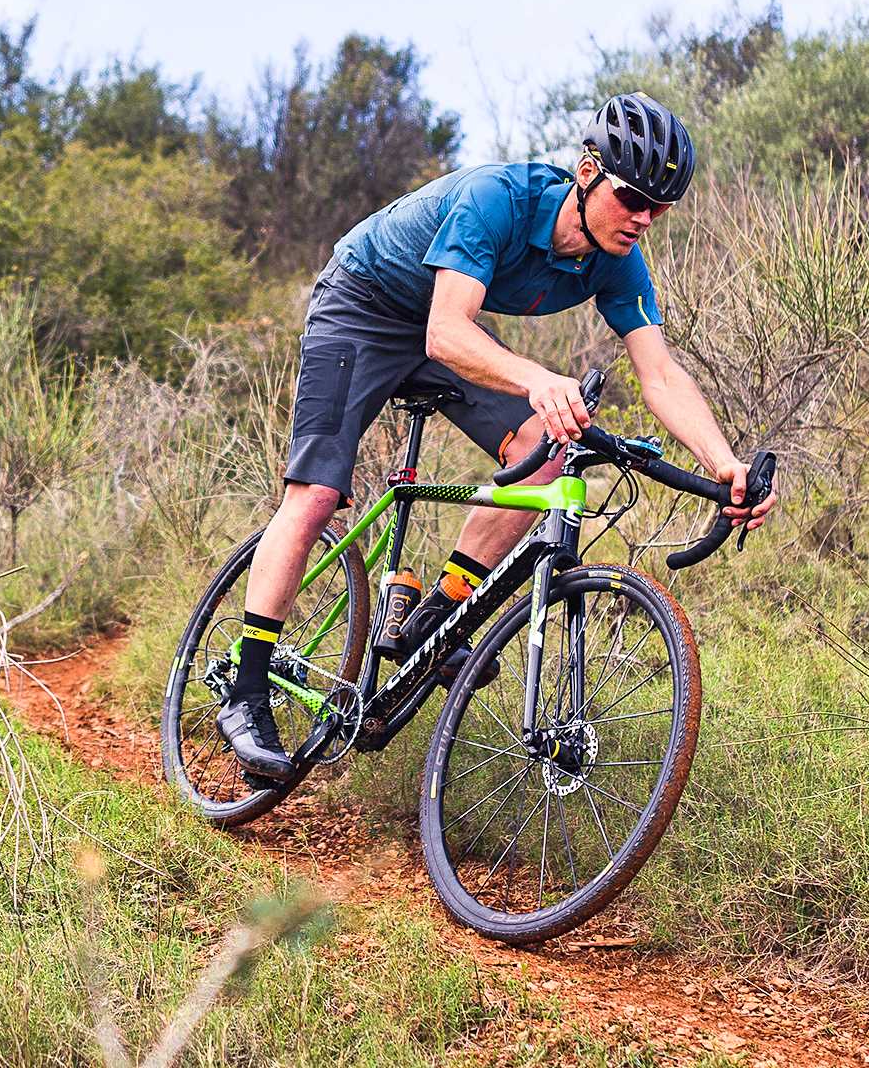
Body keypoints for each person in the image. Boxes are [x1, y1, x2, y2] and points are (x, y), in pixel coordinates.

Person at [219, 92, 778, 780]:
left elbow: (658, 372)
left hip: (442, 325)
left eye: (661, 208)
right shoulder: (498, 200)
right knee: (314, 496)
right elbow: (447, 332)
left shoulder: (615, 259)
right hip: (364, 304)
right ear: (587, 171)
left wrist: (725, 464)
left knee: (546, 448)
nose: (645, 219)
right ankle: (245, 693)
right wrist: (540, 378)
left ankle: (438, 617)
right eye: (634, 198)